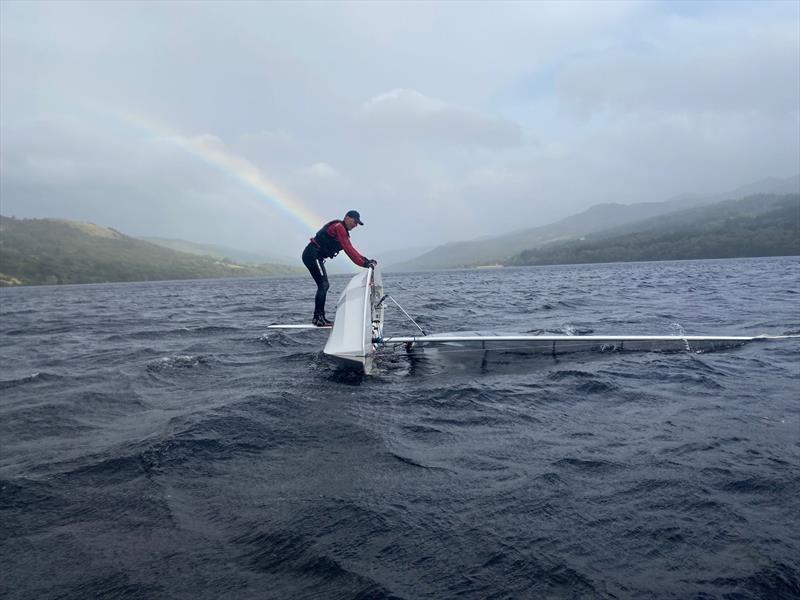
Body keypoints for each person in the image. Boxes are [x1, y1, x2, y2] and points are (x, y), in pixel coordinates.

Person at [302, 210, 377, 327]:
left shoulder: (343, 230)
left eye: (357, 223)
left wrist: (366, 260)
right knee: (323, 285)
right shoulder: (339, 227)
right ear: (347, 217)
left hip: (316, 256)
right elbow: (348, 250)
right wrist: (364, 264)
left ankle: (320, 317)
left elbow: (351, 249)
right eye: (355, 221)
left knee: (324, 285)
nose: (355, 225)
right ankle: (318, 318)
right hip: (312, 255)